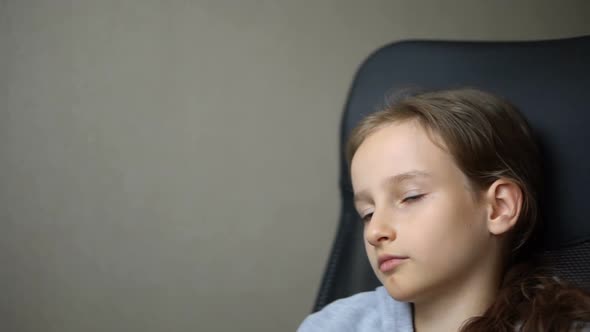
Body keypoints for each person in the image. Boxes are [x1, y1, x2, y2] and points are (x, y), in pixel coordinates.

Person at [298, 88, 590, 332]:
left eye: (410, 197)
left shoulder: (561, 326)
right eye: (367, 213)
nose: (375, 232)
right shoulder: (337, 325)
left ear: (498, 208)